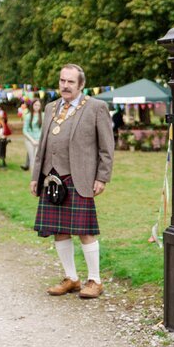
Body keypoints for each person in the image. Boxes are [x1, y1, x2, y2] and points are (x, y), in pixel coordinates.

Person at [30, 64, 115, 299]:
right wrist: (36, 177)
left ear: (81, 85)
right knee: (59, 230)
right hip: (52, 178)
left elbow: (107, 147)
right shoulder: (51, 107)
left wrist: (102, 177)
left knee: (85, 231)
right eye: (62, 81)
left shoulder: (96, 107)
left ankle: (95, 280)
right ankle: (71, 278)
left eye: (70, 82)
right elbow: (42, 146)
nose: (65, 86)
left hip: (79, 177)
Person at [21, 99, 43, 171]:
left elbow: (44, 129)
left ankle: (38, 176)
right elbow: (24, 130)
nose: (37, 107)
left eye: (38, 105)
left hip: (39, 140)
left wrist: (40, 140)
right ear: (32, 105)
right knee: (32, 159)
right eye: (35, 105)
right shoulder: (28, 116)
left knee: (38, 159)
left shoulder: (43, 115)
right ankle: (33, 177)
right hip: (29, 140)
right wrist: (32, 140)